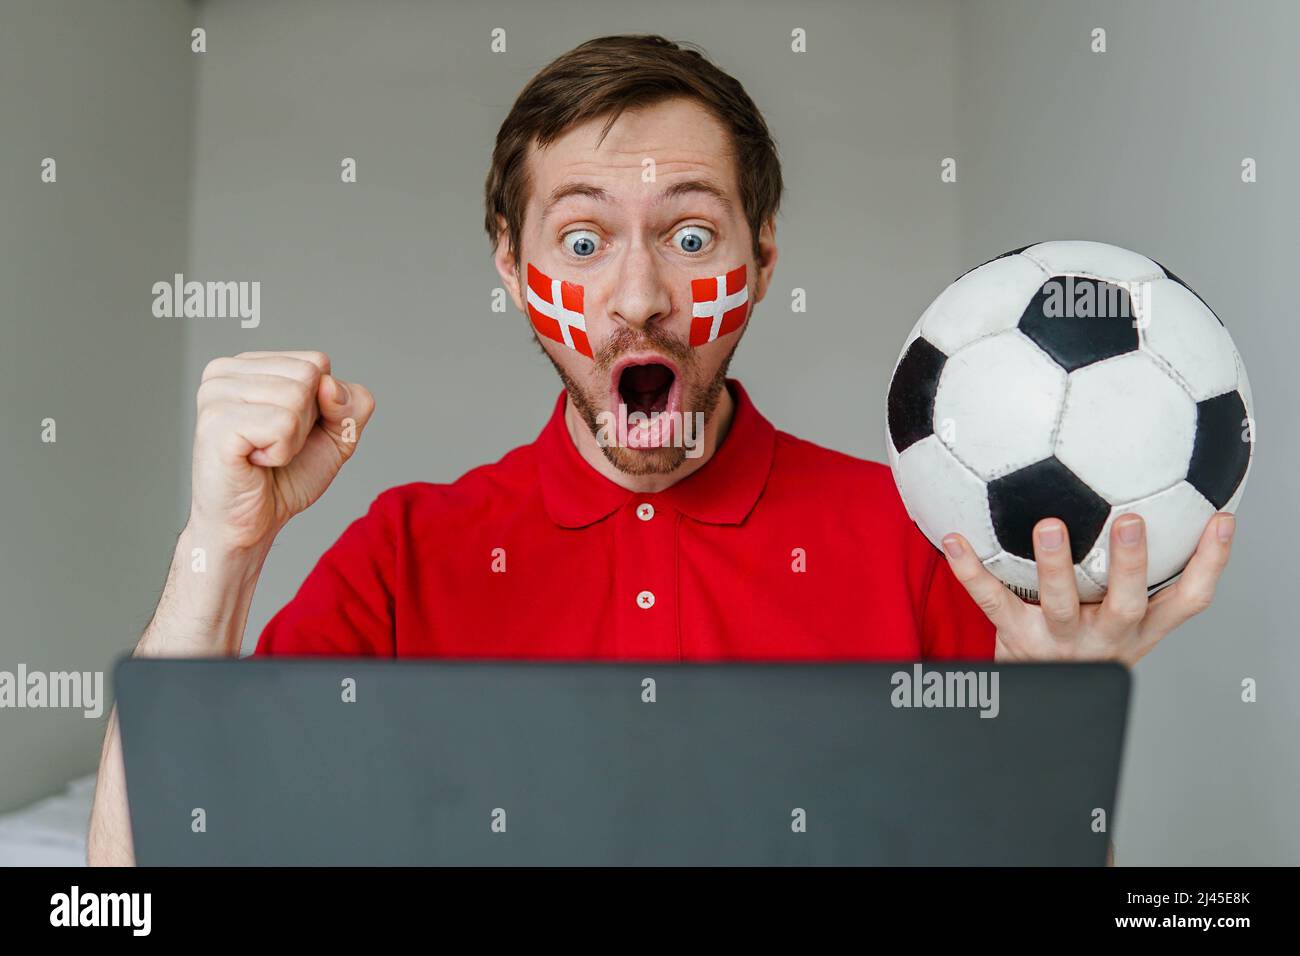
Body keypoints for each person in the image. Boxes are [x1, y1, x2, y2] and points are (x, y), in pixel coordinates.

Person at [87, 34, 1235, 865]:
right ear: (509, 268)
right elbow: (128, 899)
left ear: (763, 254)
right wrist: (220, 550)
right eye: (580, 239)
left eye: (691, 234)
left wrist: (1053, 727)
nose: (638, 297)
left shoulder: (920, 539)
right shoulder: (406, 555)